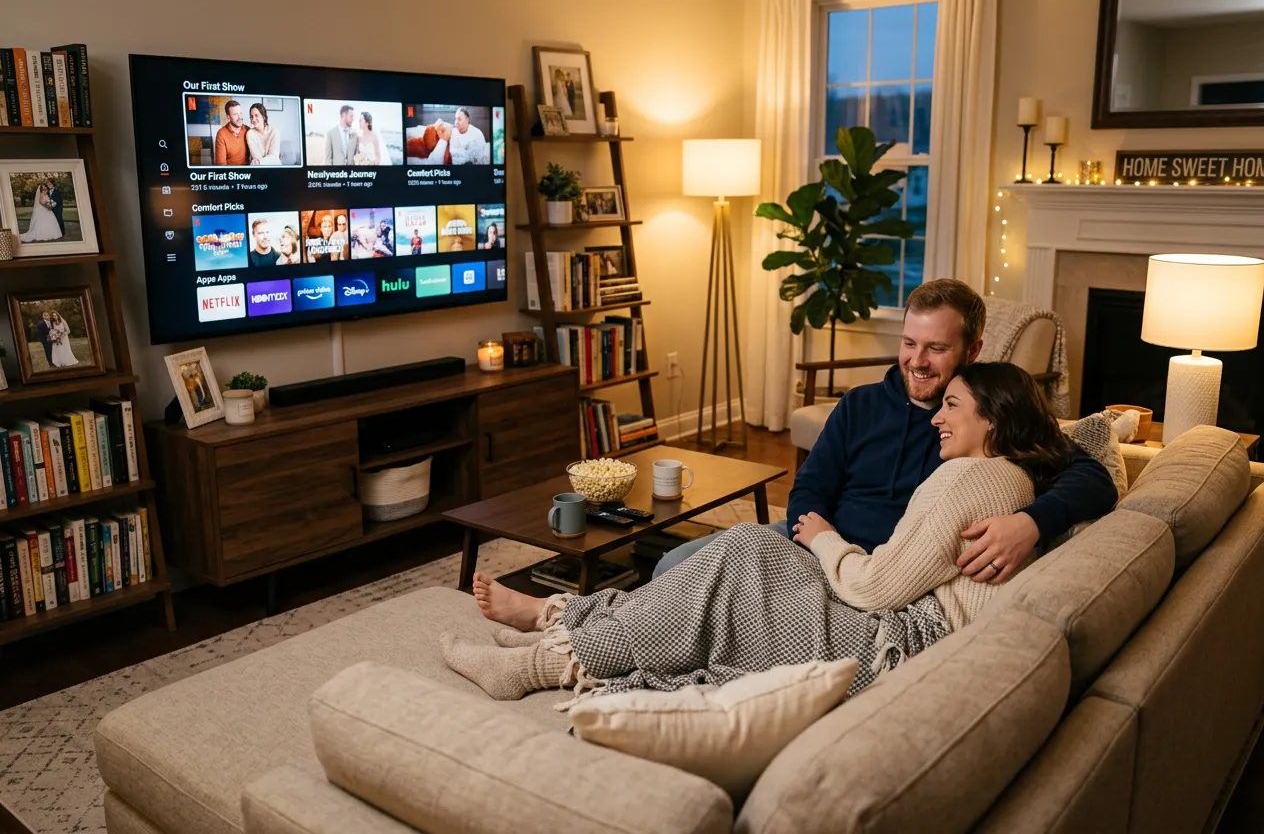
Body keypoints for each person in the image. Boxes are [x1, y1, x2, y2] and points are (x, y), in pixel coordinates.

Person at [443, 362, 1076, 704]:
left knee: (737, 561)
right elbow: (817, 496)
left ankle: (548, 654)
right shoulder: (991, 471)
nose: (936, 415)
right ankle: (563, 622)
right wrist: (818, 534)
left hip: (896, 638)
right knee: (739, 552)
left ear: (994, 417)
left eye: (953, 407)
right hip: (883, 604)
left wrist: (826, 540)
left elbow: (879, 586)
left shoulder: (979, 479)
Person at [653, 279, 1117, 583]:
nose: (917, 361)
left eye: (936, 348)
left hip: (886, 571)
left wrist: (1031, 523)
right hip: (819, 545)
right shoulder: (861, 404)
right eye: (910, 343)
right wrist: (819, 543)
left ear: (973, 350)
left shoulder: (989, 417)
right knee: (671, 566)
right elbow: (810, 487)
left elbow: (1094, 480)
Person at [214, 100, 248, 166]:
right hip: (231, 173)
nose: (240, 117)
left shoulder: (248, 130)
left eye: (240, 113)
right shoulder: (221, 134)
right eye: (235, 114)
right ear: (228, 117)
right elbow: (221, 164)